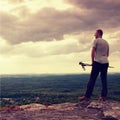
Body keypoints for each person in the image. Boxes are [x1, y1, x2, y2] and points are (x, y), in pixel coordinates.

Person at [79, 29, 109, 101]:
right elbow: (107, 54)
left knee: (92, 79)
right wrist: (103, 59)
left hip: (97, 62)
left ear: (99, 33)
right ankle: (103, 96)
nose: (94, 34)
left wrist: (93, 62)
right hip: (105, 62)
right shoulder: (106, 42)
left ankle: (87, 96)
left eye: (95, 33)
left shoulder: (96, 41)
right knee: (104, 79)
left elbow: (93, 52)